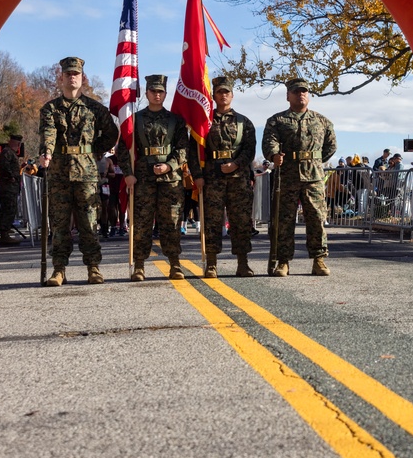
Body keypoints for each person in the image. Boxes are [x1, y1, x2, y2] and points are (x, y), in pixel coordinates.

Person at [39, 57, 119, 286]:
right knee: (60, 225)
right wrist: (46, 153)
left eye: (76, 74)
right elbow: (48, 134)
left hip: (86, 174)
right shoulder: (50, 109)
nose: (72, 77)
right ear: (61, 78)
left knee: (89, 223)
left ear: (82, 78)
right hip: (59, 173)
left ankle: (93, 267)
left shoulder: (94, 108)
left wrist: (95, 152)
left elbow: (112, 134)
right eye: (68, 74)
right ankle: (59, 269)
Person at [116, 74, 189, 282]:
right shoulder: (135, 119)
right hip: (143, 179)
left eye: (160, 91)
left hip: (170, 180)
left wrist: (170, 165)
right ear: (146, 93)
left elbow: (183, 148)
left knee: (171, 222)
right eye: (153, 91)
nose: (157, 95)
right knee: (141, 223)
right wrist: (128, 175)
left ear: (165, 94)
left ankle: (175, 264)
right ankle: (139, 265)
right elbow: (124, 149)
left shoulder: (176, 120)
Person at [262, 77, 337, 277]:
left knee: (316, 218)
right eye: (296, 91)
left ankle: (318, 260)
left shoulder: (321, 121)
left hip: (313, 178)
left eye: (303, 91)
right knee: (284, 220)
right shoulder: (277, 121)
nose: (300, 94)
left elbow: (331, 147)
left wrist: (313, 161)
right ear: (288, 96)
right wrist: (274, 155)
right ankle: (283, 261)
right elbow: (269, 143)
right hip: (287, 177)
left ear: (308, 95)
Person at [188, 76, 257, 278]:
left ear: (232, 95)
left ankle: (243, 263)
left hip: (239, 178)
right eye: (219, 92)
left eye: (227, 92)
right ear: (213, 95)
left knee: (241, 221)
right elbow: (194, 151)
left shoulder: (245, 122)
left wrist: (235, 164)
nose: (223, 95)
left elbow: (249, 149)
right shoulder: (203, 122)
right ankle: (211, 263)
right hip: (211, 178)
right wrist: (197, 176)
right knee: (212, 221)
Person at [0, 134, 23, 247]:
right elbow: (4, 166)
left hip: (10, 186)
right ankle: (4, 234)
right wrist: (10, 177)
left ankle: (6, 230)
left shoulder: (10, 153)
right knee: (9, 209)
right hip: (8, 186)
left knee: (10, 208)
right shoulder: (7, 152)